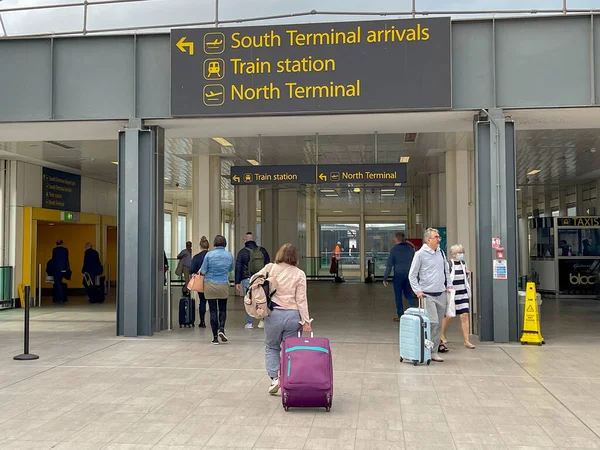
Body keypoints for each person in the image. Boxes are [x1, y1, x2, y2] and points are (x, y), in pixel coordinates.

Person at [255, 243, 311, 394]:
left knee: (272, 347)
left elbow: (254, 281)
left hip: (273, 314)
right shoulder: (299, 274)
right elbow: (301, 299)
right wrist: (306, 321)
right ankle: (288, 378)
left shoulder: (270, 268)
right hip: (292, 316)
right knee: (290, 349)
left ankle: (275, 378)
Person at [408, 228, 451, 363]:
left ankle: (434, 351)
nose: (439, 239)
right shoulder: (420, 254)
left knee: (439, 325)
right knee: (433, 322)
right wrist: (418, 291)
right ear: (428, 240)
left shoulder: (441, 253)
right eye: (436, 237)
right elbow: (412, 275)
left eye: (439, 237)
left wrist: (448, 285)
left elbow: (446, 271)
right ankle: (427, 348)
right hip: (427, 294)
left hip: (441, 293)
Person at [199, 235, 234, 345]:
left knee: (213, 310)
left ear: (214, 243)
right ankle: (222, 329)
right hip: (223, 284)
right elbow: (231, 268)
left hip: (210, 284)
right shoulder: (229, 255)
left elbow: (203, 270)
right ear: (225, 243)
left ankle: (214, 337)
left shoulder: (209, 255)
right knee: (222, 309)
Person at [441, 245, 475, 350]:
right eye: (459, 252)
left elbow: (464, 277)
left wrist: (467, 274)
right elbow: (445, 276)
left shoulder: (463, 263)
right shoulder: (448, 263)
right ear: (453, 254)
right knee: (450, 316)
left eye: (462, 252)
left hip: (463, 292)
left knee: (464, 315)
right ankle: (441, 334)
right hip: (452, 293)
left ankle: (466, 340)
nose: (461, 254)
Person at [235, 232, 270, 329]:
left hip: (248, 279)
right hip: (261, 279)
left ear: (245, 240)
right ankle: (263, 320)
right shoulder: (262, 250)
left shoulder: (242, 252)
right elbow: (268, 265)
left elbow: (238, 267)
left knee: (249, 300)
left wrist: (237, 282)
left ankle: (250, 323)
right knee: (262, 298)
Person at [383, 232, 415, 322]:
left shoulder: (394, 250)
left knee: (398, 296)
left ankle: (400, 315)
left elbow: (389, 265)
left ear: (396, 239)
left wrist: (385, 278)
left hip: (398, 276)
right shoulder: (410, 249)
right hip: (409, 275)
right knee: (408, 294)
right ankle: (414, 312)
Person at [190, 236, 210, 328]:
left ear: (200, 246)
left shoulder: (196, 257)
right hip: (211, 280)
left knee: (202, 301)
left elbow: (191, 269)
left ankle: (202, 321)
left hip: (200, 281)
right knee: (212, 301)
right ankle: (214, 322)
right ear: (208, 246)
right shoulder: (211, 256)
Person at [50, 239, 71, 304]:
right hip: (64, 268)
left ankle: (60, 298)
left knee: (58, 283)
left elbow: (53, 260)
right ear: (62, 243)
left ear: (56, 244)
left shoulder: (54, 250)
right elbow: (67, 259)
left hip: (57, 269)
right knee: (60, 282)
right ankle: (63, 297)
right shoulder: (65, 250)